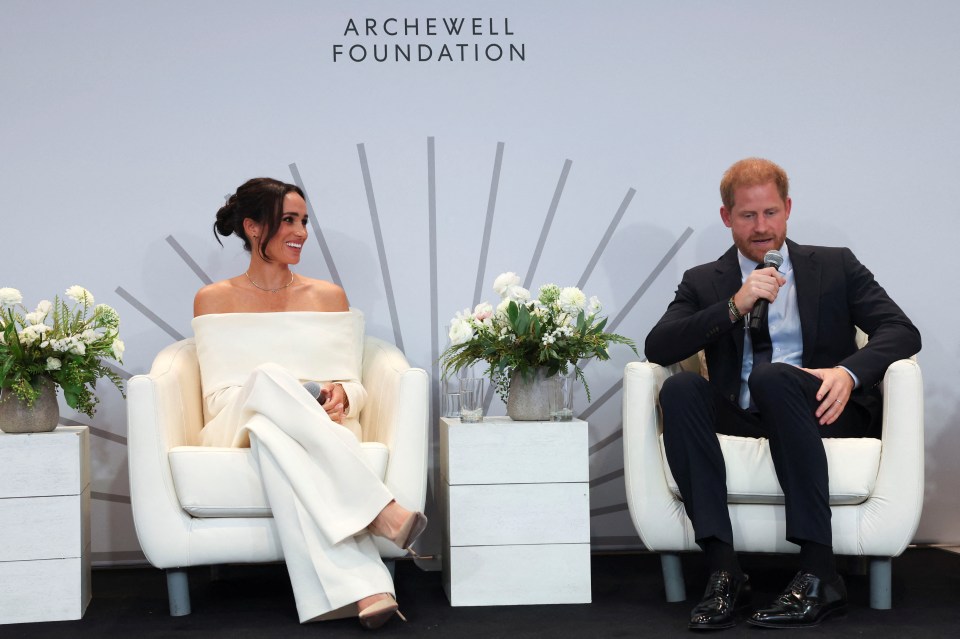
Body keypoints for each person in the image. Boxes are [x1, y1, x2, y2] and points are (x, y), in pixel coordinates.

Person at [644, 158, 920, 630]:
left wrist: (848, 372)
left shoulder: (834, 265)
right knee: (682, 388)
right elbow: (659, 345)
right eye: (748, 216)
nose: (761, 227)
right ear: (726, 217)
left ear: (788, 209)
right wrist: (735, 304)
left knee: (773, 377)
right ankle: (724, 571)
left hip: (821, 408)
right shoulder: (704, 280)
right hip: (746, 409)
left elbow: (900, 330)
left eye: (770, 213)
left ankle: (819, 572)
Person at [192, 177, 427, 629]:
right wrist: (297, 390)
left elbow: (352, 387)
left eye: (303, 221)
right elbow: (218, 396)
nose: (300, 232)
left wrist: (340, 394)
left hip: (308, 425)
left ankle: (369, 592)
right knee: (268, 378)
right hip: (232, 421)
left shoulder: (327, 297)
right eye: (288, 221)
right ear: (253, 227)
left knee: (272, 436)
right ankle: (380, 510)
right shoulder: (213, 299)